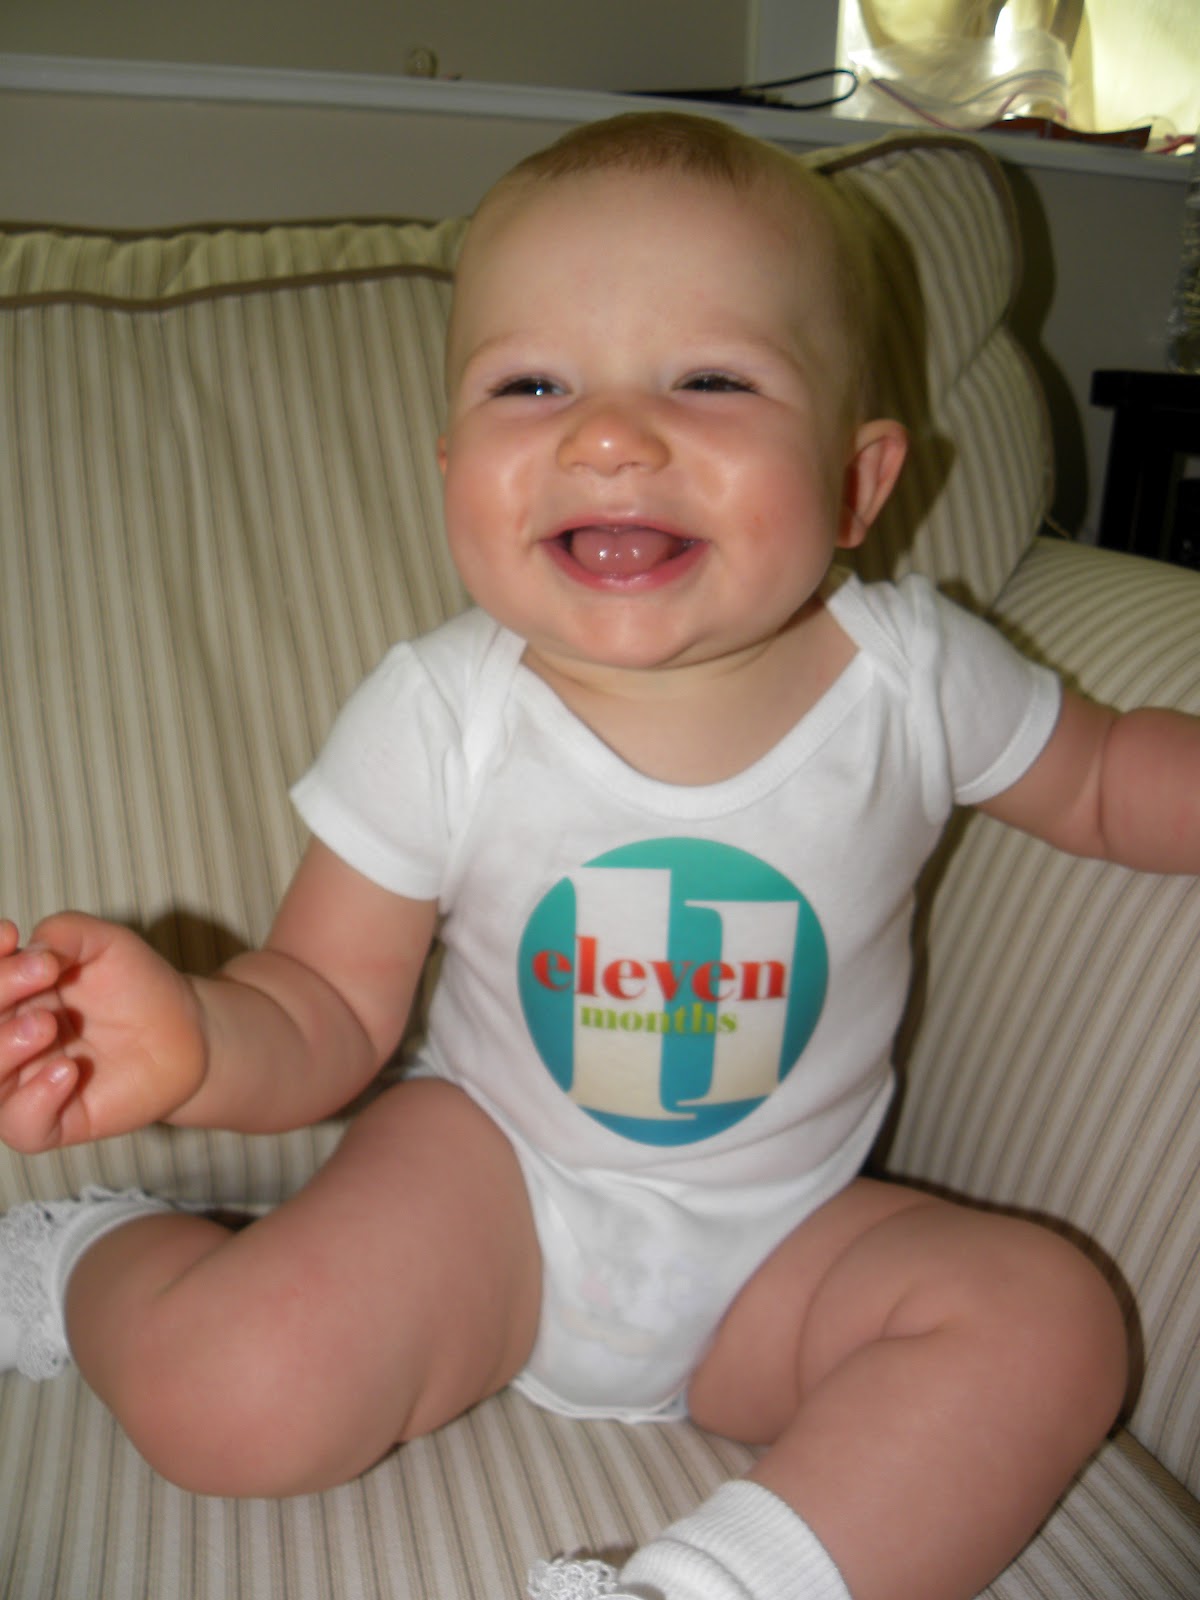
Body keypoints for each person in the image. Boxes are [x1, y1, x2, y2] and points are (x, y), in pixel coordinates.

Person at [0, 110, 1192, 1600]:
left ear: (856, 483)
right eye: (533, 385)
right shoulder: (443, 713)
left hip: (787, 1246)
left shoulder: (916, 678)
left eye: (709, 379)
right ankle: (94, 1258)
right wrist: (196, 1042)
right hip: (486, 1198)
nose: (610, 435)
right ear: (451, 469)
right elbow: (324, 1009)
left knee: (1052, 1318)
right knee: (234, 1405)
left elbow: (1107, 783)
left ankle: (706, 1589)